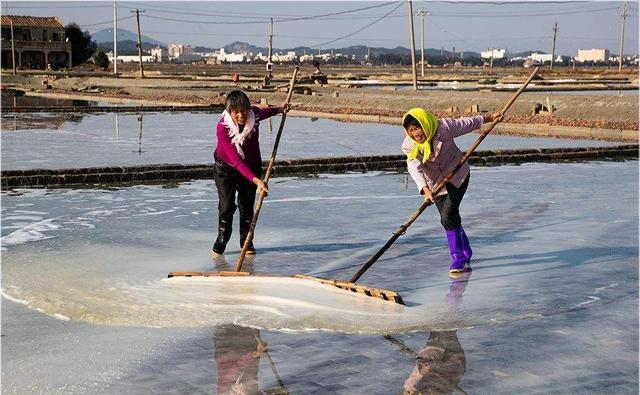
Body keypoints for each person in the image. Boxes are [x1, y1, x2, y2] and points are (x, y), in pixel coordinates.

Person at [401, 108, 502, 276]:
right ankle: (466, 250)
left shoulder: (444, 127)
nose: (415, 133)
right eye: (410, 130)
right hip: (435, 184)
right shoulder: (409, 145)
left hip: (458, 175)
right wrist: (425, 189)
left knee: (448, 215)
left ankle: (457, 258)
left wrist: (490, 117)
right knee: (449, 218)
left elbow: (467, 123)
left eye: (417, 128)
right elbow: (414, 168)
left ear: (425, 124)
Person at [212, 90, 288, 256]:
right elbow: (237, 161)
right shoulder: (222, 128)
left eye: (244, 111)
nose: (241, 115)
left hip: (251, 165)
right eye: (235, 112)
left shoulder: (255, 116)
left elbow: (266, 111)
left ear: (248, 108)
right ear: (229, 112)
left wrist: (280, 109)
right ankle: (222, 240)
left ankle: (246, 242)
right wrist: (257, 181)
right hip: (226, 168)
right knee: (227, 207)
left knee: (246, 206)